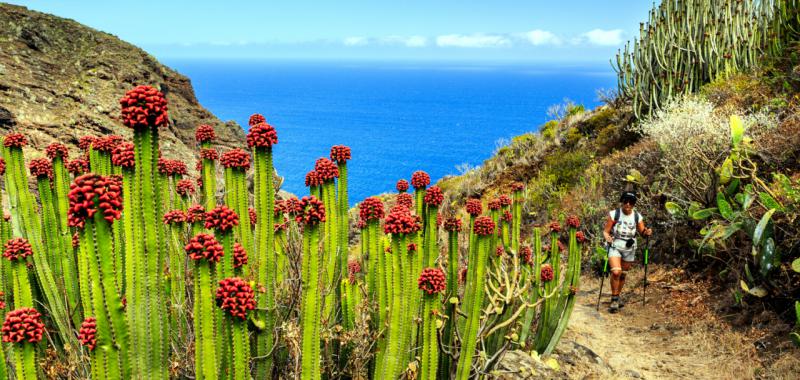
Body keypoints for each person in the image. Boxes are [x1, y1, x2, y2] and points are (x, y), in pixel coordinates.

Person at [602, 191, 652, 313]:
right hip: (615, 245)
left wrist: (647, 232)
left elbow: (642, 232)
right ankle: (614, 299)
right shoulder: (615, 214)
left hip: (630, 248)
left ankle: (617, 297)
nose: (628, 204)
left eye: (631, 202)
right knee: (616, 272)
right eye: (626, 201)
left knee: (623, 274)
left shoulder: (637, 216)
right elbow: (606, 231)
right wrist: (607, 237)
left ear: (634, 204)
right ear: (622, 201)